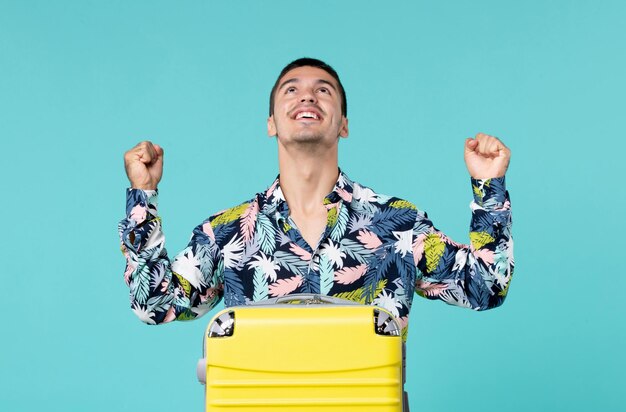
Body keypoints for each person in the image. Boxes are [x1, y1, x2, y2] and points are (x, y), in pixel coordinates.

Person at [119, 58, 513, 339]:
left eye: (323, 91)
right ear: (271, 123)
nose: (307, 97)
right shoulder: (225, 233)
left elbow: (486, 285)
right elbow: (155, 304)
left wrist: (489, 187)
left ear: (343, 124)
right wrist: (143, 198)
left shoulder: (399, 225)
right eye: (291, 90)